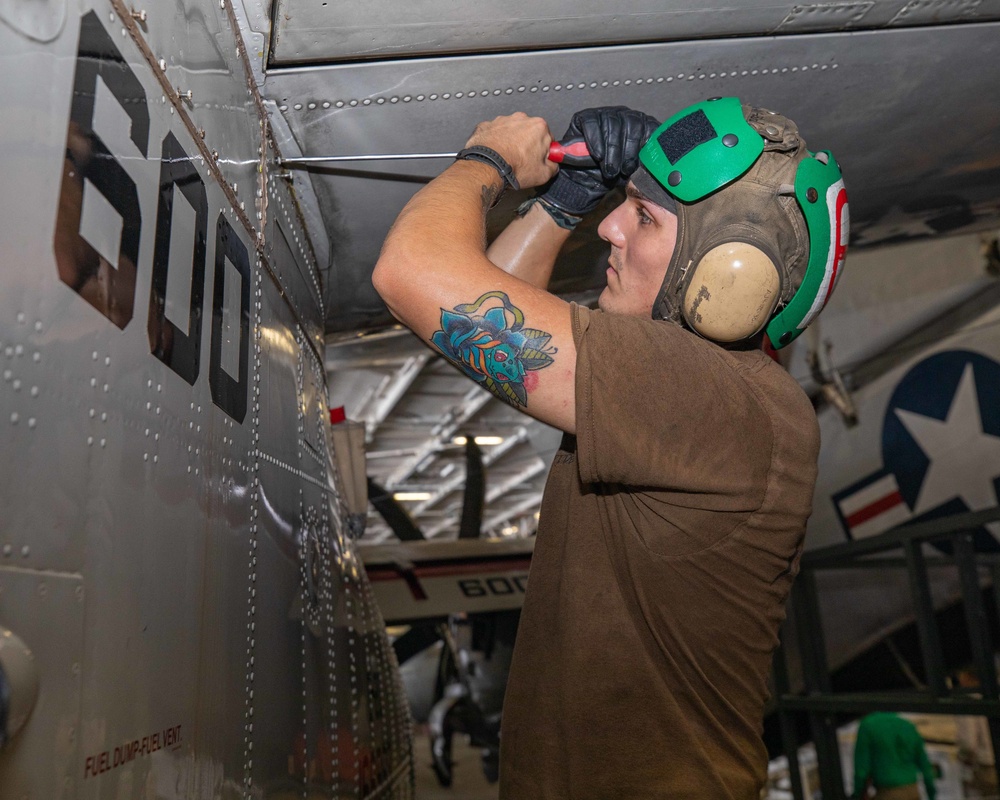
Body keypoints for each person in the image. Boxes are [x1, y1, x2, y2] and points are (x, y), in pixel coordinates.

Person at [372, 98, 848, 798]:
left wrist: (489, 160)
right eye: (625, 204)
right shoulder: (712, 388)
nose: (613, 228)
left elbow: (412, 273)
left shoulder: (702, 398)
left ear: (732, 275)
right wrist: (567, 201)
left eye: (645, 217)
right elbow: (485, 322)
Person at [853, 712, 937, 800]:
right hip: (913, 792)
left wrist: (857, 795)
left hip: (886, 792)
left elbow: (861, 771)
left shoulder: (867, 726)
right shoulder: (908, 726)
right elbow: (926, 768)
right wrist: (931, 795)